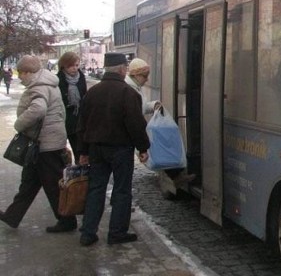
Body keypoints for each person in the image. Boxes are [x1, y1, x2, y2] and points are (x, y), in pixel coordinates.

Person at [76, 52, 150, 246]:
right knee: (122, 191)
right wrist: (143, 148)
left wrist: (83, 151)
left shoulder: (92, 92)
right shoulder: (128, 93)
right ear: (121, 70)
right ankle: (117, 233)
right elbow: (136, 124)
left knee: (95, 189)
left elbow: (82, 125)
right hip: (120, 149)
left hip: (96, 149)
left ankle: (88, 233)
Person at [0, 55, 77, 232]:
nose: (19, 76)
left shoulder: (39, 87)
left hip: (45, 145)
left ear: (28, 72)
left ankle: (67, 221)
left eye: (21, 73)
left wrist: (19, 124)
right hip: (47, 142)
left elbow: (38, 109)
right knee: (29, 182)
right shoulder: (49, 84)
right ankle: (12, 216)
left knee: (52, 185)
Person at [125, 58, 193, 188]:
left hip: (134, 129)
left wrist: (154, 104)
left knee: (160, 145)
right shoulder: (130, 89)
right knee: (159, 144)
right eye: (145, 76)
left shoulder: (136, 87)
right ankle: (176, 175)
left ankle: (176, 175)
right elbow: (138, 110)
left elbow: (143, 107)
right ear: (136, 75)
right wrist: (142, 148)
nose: (147, 79)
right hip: (131, 131)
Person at [56, 51, 87, 164]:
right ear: (64, 65)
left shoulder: (81, 77)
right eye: (71, 65)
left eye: (76, 65)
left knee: (79, 149)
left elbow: (85, 96)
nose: (74, 68)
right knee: (62, 152)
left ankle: (80, 173)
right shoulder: (58, 79)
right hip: (64, 118)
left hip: (79, 118)